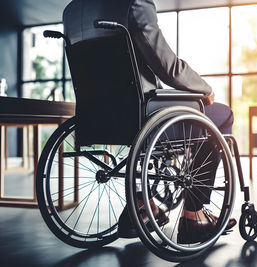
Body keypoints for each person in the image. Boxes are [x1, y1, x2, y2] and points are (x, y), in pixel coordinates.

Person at [63, 0, 236, 243]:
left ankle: (144, 202)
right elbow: (167, 65)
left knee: (149, 127)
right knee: (222, 114)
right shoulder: (134, 4)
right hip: (144, 113)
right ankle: (193, 215)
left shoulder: (72, 11)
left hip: (102, 114)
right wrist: (204, 89)